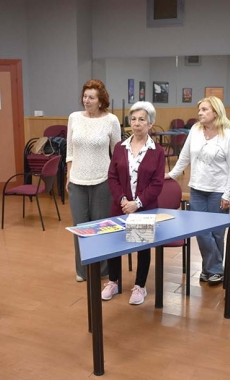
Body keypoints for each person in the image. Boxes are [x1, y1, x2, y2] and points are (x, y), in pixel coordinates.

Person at [165, 96, 230, 285]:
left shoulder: (229, 137)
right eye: (199, 110)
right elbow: (184, 157)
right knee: (201, 231)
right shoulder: (195, 131)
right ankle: (215, 268)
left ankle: (210, 269)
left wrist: (228, 193)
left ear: (216, 112)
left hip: (218, 191)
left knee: (217, 233)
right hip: (197, 189)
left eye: (205, 109)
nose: (200, 113)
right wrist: (172, 174)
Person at [101, 102, 165, 305]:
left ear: (151, 123)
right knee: (113, 245)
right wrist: (122, 200)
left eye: (142, 120)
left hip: (144, 208)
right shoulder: (120, 147)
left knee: (142, 246)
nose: (136, 124)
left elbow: (157, 184)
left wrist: (136, 203)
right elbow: (112, 177)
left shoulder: (157, 151)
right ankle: (113, 282)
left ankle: (140, 286)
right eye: (133, 119)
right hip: (119, 206)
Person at [66, 79, 122, 282]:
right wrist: (68, 175)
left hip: (103, 180)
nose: (86, 101)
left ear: (101, 101)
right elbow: (69, 151)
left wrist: (117, 182)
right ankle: (83, 270)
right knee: (81, 226)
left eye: (91, 97)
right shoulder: (74, 118)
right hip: (77, 181)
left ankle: (104, 270)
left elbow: (117, 153)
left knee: (102, 226)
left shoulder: (111, 120)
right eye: (85, 96)